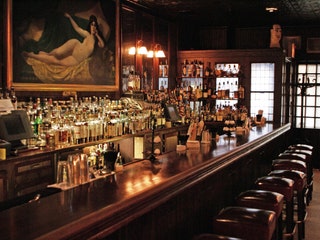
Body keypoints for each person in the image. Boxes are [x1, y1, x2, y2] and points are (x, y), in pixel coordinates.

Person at [22, 13, 105, 66]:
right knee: (56, 53)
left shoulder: (96, 41)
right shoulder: (87, 34)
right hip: (75, 45)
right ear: (90, 26)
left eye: (95, 25)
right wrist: (70, 18)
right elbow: (77, 28)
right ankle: (47, 54)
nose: (93, 27)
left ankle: (31, 55)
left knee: (57, 62)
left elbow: (102, 45)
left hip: (77, 59)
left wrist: (97, 35)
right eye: (92, 25)